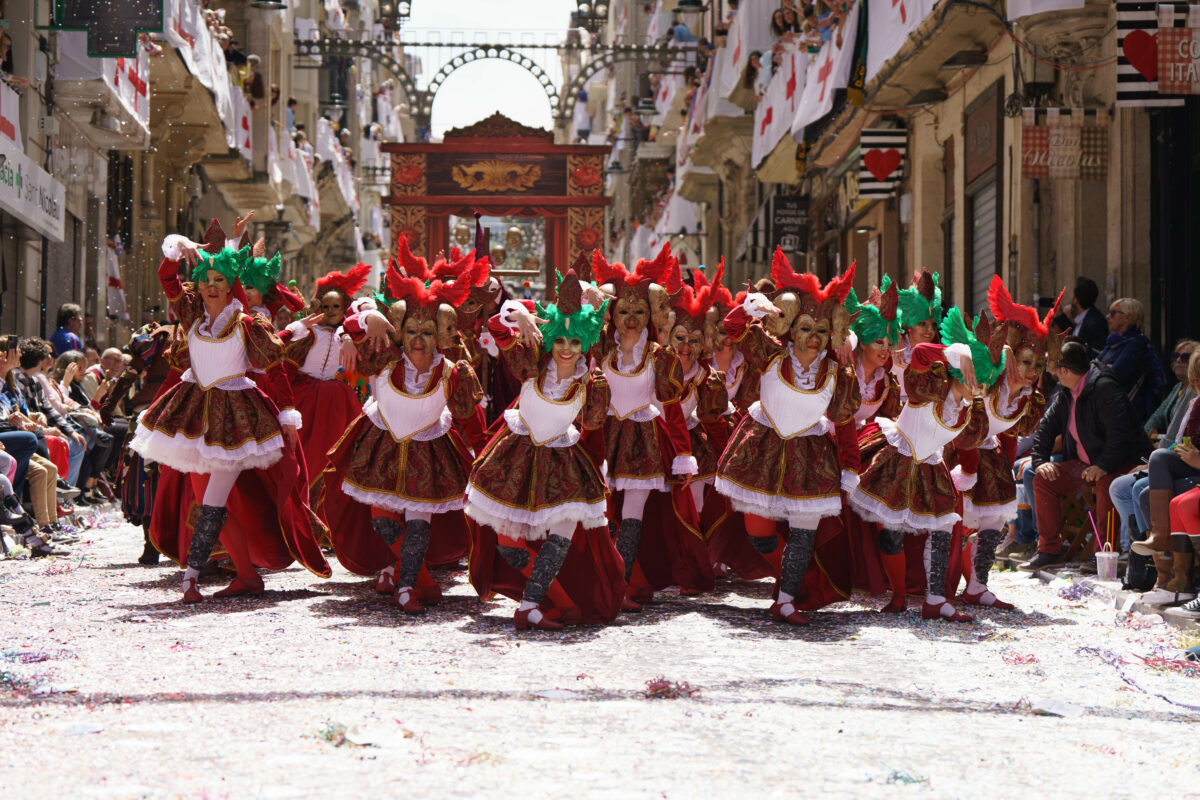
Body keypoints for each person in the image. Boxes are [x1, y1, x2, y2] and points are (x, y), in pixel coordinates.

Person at [129, 233, 331, 602]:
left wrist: (287, 415)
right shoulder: (192, 315)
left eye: (219, 280)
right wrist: (177, 248)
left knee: (212, 502)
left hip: (235, 420)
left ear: (230, 286)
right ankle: (246, 575)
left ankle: (190, 579)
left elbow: (275, 369)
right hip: (194, 414)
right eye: (205, 280)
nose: (209, 286)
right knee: (213, 504)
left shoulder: (247, 324)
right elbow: (167, 278)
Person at [320, 244, 487, 614]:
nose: (418, 340)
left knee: (418, 522)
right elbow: (346, 324)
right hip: (382, 444)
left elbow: (469, 415)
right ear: (399, 330)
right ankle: (414, 577)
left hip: (430, 451)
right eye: (411, 330)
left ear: (441, 334)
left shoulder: (453, 369)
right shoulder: (384, 358)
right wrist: (366, 322)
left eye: (428, 332)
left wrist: (484, 453)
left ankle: (408, 586)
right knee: (382, 522)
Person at [466, 270, 624, 629]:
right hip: (515, 458)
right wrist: (517, 314)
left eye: (574, 341)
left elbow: (595, 425)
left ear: (584, 343)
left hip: (564, 462)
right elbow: (496, 326)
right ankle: (556, 602)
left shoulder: (592, 382)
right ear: (550, 340)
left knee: (562, 537)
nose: (567, 349)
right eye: (560, 341)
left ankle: (530, 606)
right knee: (508, 543)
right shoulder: (531, 363)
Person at [714, 249, 860, 625]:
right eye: (806, 329)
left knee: (803, 531)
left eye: (822, 331)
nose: (813, 338)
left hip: (811, 457)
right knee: (757, 530)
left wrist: (851, 468)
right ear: (791, 329)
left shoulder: (838, 373)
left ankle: (786, 599)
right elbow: (730, 332)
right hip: (761, 449)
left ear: (833, 334)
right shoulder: (769, 354)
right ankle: (796, 583)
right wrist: (748, 308)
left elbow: (844, 422)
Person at [846, 305, 1006, 622]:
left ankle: (935, 600)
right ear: (962, 372)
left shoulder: (972, 412)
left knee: (943, 525)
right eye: (976, 379)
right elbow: (919, 352)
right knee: (889, 533)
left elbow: (968, 445)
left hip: (931, 465)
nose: (980, 389)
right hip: (895, 456)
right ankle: (899, 595)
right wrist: (956, 352)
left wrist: (970, 476)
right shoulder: (928, 387)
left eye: (985, 382)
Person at [592, 244, 713, 609]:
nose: (631, 318)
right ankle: (604, 580)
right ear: (612, 314)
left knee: (633, 515)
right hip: (604, 439)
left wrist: (683, 455)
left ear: (651, 315)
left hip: (644, 441)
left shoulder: (660, 356)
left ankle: (620, 587)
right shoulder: (601, 349)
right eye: (623, 310)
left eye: (639, 311)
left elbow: (672, 408)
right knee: (602, 514)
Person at [951, 277, 1060, 609]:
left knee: (993, 522)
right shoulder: (989, 377)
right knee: (950, 524)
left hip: (989, 455)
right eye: (1025, 362)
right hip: (954, 451)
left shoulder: (1031, 399)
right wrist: (1006, 350)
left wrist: (1001, 475)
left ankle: (978, 585)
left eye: (1037, 365)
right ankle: (934, 588)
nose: (1030, 370)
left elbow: (1010, 438)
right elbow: (956, 353)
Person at [1024, 341, 1151, 572]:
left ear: (1064, 370)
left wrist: (1103, 465)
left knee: (1107, 482)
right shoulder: (1066, 392)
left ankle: (1103, 553)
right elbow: (1045, 429)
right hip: (1087, 463)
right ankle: (1049, 550)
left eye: (1053, 368)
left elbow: (1120, 435)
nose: (1050, 373)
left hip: (1124, 461)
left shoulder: (1104, 388)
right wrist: (1040, 461)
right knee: (1042, 478)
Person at [279, 263, 372, 481]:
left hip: (335, 401)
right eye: (326, 306)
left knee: (331, 448)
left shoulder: (346, 333)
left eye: (336, 307)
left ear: (343, 309)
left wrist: (348, 336)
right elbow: (286, 358)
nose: (330, 311)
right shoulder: (309, 331)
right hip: (303, 395)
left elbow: (366, 311)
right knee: (300, 448)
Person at [1096, 297, 1167, 422]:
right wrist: (1103, 367)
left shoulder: (1135, 344)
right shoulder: (1113, 342)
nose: (1107, 316)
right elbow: (1093, 368)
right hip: (1108, 407)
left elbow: (1114, 374)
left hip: (1127, 412)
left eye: (1113, 313)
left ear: (1127, 318)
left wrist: (1102, 367)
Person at [1069, 277, 1108, 355]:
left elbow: (1094, 352)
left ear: (1076, 300)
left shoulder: (1094, 323)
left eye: (1072, 294)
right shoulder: (1084, 318)